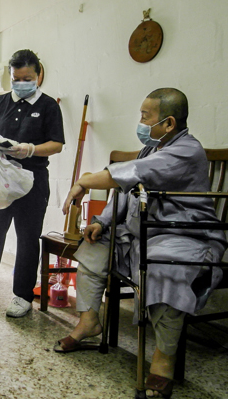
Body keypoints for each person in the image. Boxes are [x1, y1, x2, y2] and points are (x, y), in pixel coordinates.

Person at [53, 88, 227, 398]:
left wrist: (83, 181)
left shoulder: (186, 151)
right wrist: (102, 221)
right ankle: (90, 321)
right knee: (95, 243)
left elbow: (128, 174)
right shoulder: (152, 149)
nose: (141, 123)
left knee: (163, 268)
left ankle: (162, 361)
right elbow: (126, 193)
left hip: (183, 235)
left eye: (146, 117)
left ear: (169, 123)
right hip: (143, 231)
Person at [0, 49, 65, 317]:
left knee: (28, 239)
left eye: (27, 78)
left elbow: (57, 144)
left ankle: (22, 296)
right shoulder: (0, 102)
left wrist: (29, 149)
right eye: (16, 78)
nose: (21, 83)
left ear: (38, 76)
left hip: (32, 182)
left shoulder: (49, 106)